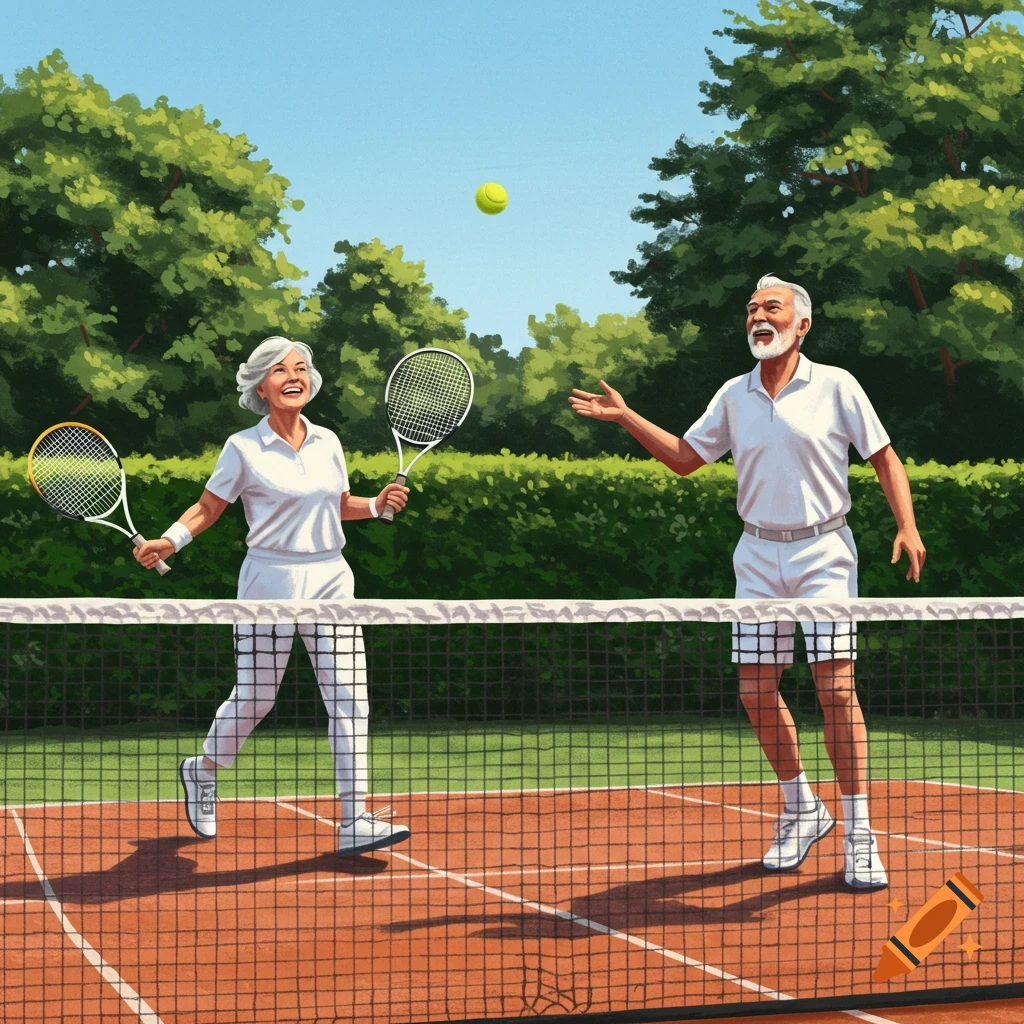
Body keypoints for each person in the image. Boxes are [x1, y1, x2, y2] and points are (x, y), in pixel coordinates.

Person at [568, 273, 927, 890]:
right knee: (756, 689)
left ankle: (860, 832)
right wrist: (627, 417)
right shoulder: (734, 394)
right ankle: (800, 808)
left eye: (773, 307)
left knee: (836, 690)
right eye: (752, 309)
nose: (759, 316)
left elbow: (883, 457)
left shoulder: (838, 384)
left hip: (824, 553)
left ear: (801, 324)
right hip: (757, 556)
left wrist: (907, 527)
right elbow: (685, 458)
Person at [134, 336, 412, 857]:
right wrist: (169, 540)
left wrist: (374, 505)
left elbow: (336, 504)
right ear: (260, 384)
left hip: (331, 576)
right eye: (280, 369)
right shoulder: (242, 447)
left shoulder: (329, 441)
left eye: (301, 367)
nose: (293, 376)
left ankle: (354, 819)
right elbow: (208, 507)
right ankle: (203, 770)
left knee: (351, 698)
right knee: (258, 695)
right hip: (269, 580)